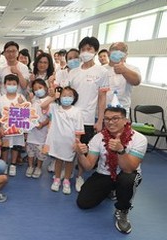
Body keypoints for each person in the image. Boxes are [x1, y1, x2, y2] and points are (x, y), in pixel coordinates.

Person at [75, 106, 147, 234]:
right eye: (107, 119)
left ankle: (122, 210)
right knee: (83, 203)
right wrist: (80, 154)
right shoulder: (98, 138)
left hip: (127, 174)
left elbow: (129, 169)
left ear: (125, 120)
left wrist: (121, 150)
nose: (110, 122)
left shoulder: (139, 139)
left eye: (115, 118)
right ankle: (111, 190)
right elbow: (88, 166)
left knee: (127, 180)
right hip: (105, 174)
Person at [67, 36, 109, 192]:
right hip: (70, 116)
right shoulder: (73, 72)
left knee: (83, 148)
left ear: (95, 51)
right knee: (69, 145)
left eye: (89, 49)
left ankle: (79, 176)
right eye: (83, 49)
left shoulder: (102, 72)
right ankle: (66, 174)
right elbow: (67, 95)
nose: (86, 52)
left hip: (88, 118)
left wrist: (100, 120)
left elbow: (102, 98)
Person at [42, 87, 84, 194]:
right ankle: (57, 179)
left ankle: (66, 180)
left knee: (69, 161)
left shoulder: (77, 111)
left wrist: (77, 142)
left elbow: (79, 129)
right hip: (57, 141)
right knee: (58, 160)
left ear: (74, 98)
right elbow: (43, 106)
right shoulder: (55, 108)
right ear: (59, 97)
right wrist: (52, 98)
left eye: (70, 95)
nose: (67, 98)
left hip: (70, 142)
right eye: (64, 95)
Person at [0, 74, 26, 176]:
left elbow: (26, 114)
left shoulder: (21, 97)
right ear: (5, 85)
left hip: (17, 129)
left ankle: (13, 164)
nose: (11, 85)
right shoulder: (1, 99)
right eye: (9, 83)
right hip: (5, 129)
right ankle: (5, 164)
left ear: (18, 85)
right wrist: (1, 126)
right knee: (5, 147)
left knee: (16, 146)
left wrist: (22, 104)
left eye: (14, 84)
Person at [105, 42, 141, 118]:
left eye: (122, 50)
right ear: (108, 53)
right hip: (102, 111)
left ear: (126, 55)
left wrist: (124, 70)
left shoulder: (132, 68)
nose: (118, 52)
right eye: (115, 49)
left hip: (121, 112)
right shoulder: (102, 69)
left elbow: (137, 81)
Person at [25, 79, 50, 178]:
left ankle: (39, 167)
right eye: (35, 89)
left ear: (45, 88)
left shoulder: (49, 100)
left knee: (40, 151)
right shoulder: (33, 100)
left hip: (42, 131)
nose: (38, 90)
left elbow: (50, 117)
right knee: (30, 149)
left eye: (40, 88)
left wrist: (43, 124)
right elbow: (27, 112)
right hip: (32, 131)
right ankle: (30, 166)